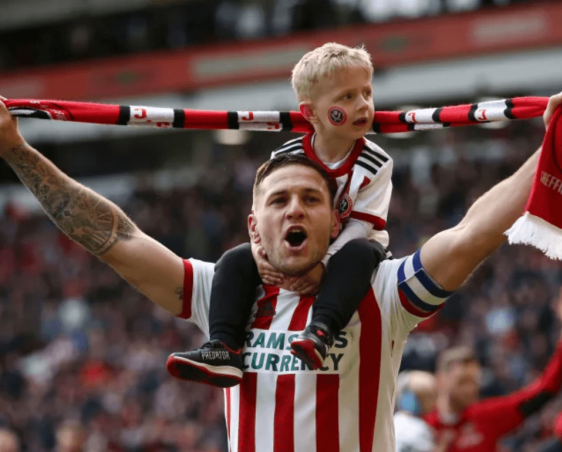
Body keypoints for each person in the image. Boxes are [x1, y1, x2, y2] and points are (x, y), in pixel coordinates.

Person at [0, 90, 562, 451]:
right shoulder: (221, 291)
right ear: (254, 226)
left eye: (310, 199)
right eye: (278, 201)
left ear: (336, 222)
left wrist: (554, 141)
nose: (294, 208)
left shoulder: (380, 291)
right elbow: (115, 238)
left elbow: (473, 233)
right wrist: (15, 149)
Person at [168, 42, 394, 387]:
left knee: (358, 254)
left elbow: (362, 225)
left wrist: (324, 263)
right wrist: (261, 252)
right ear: (311, 112)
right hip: (298, 246)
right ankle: (224, 346)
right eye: (347, 97)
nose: (363, 105)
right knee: (235, 258)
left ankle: (321, 332)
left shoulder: (376, 162)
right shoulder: (285, 154)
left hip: (351, 248)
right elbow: (263, 210)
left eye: (367, 92)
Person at [424, 283, 562, 452]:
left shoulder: (485, 416)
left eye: (474, 382)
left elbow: (545, 390)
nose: (471, 389)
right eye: (462, 382)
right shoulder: (424, 427)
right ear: (440, 380)